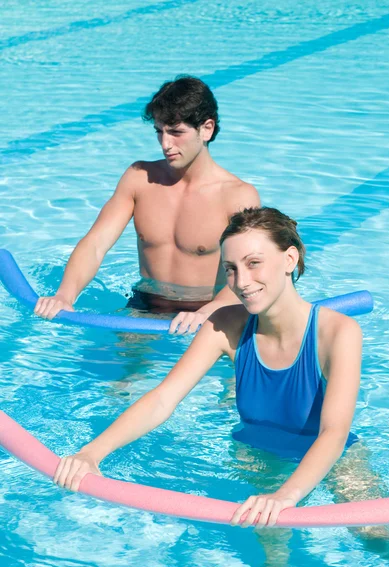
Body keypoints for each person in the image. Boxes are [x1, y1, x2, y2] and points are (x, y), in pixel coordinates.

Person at [53, 207, 363, 528]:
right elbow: (162, 399)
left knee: (376, 535)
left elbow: (333, 432)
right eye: (230, 269)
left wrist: (287, 494)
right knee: (269, 557)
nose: (241, 282)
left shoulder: (338, 332)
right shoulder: (224, 325)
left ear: (289, 260)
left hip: (336, 459)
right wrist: (90, 454)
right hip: (257, 458)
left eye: (254, 263)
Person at [34, 76, 260, 334]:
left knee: (233, 375)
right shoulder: (139, 179)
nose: (166, 144)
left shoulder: (237, 196)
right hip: (146, 306)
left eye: (176, 132)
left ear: (206, 129)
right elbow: (96, 244)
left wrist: (206, 313)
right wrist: (65, 295)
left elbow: (251, 274)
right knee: (117, 375)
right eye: (159, 131)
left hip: (211, 312)